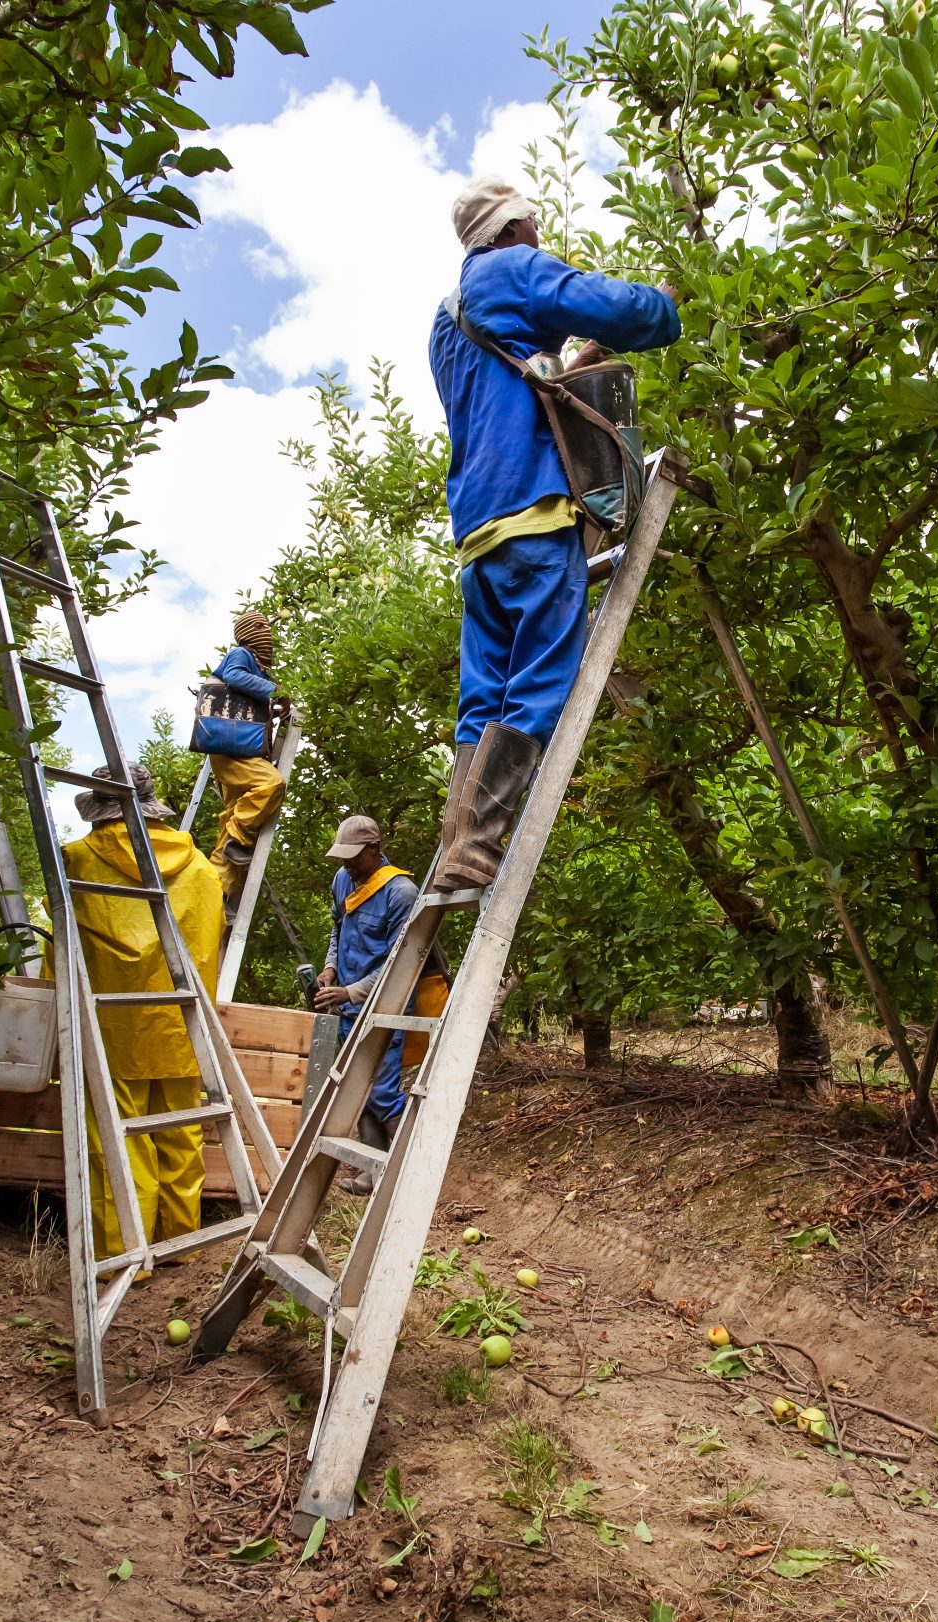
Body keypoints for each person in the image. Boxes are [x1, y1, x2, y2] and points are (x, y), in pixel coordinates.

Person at [427, 177, 680, 890]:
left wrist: (568, 364)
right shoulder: (511, 271)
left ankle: (459, 840)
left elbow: (511, 395)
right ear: (507, 231)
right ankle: (479, 842)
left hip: (478, 534)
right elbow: (615, 307)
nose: (538, 238)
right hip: (535, 512)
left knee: (483, 695)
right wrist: (664, 304)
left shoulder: (445, 324)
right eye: (530, 227)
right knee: (542, 674)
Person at [62, 763, 222, 1247]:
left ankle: (126, 1250)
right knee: (180, 1135)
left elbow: (61, 943)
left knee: (118, 1139)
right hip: (182, 1026)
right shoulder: (199, 866)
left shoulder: (76, 859)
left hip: (116, 1026)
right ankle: (179, 1243)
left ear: (98, 811)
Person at [312, 815, 420, 1182]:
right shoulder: (343, 880)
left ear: (375, 849)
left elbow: (398, 965)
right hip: (347, 1003)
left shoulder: (401, 893)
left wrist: (351, 990)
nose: (346, 864)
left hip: (387, 1005)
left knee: (384, 1090)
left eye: (354, 856)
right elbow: (336, 929)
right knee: (357, 1085)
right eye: (342, 856)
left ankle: (413, 1165)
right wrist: (330, 969)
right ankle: (371, 1171)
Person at [191, 611, 288, 896]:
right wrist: (273, 690)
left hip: (241, 747)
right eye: (260, 626)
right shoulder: (241, 655)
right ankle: (238, 836)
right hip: (230, 746)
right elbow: (233, 678)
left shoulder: (258, 666)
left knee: (233, 814)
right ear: (248, 632)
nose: (266, 632)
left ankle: (217, 892)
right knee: (272, 784)